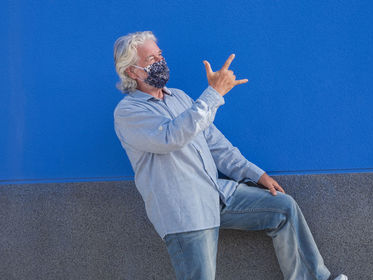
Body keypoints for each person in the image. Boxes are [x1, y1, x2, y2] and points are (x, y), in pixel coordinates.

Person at [113, 31, 348, 280]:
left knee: (283, 208)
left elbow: (216, 145)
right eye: (151, 59)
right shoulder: (128, 112)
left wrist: (255, 174)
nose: (160, 61)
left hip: (216, 194)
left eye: (160, 54)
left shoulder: (179, 97)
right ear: (132, 71)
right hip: (186, 213)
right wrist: (214, 93)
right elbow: (172, 137)